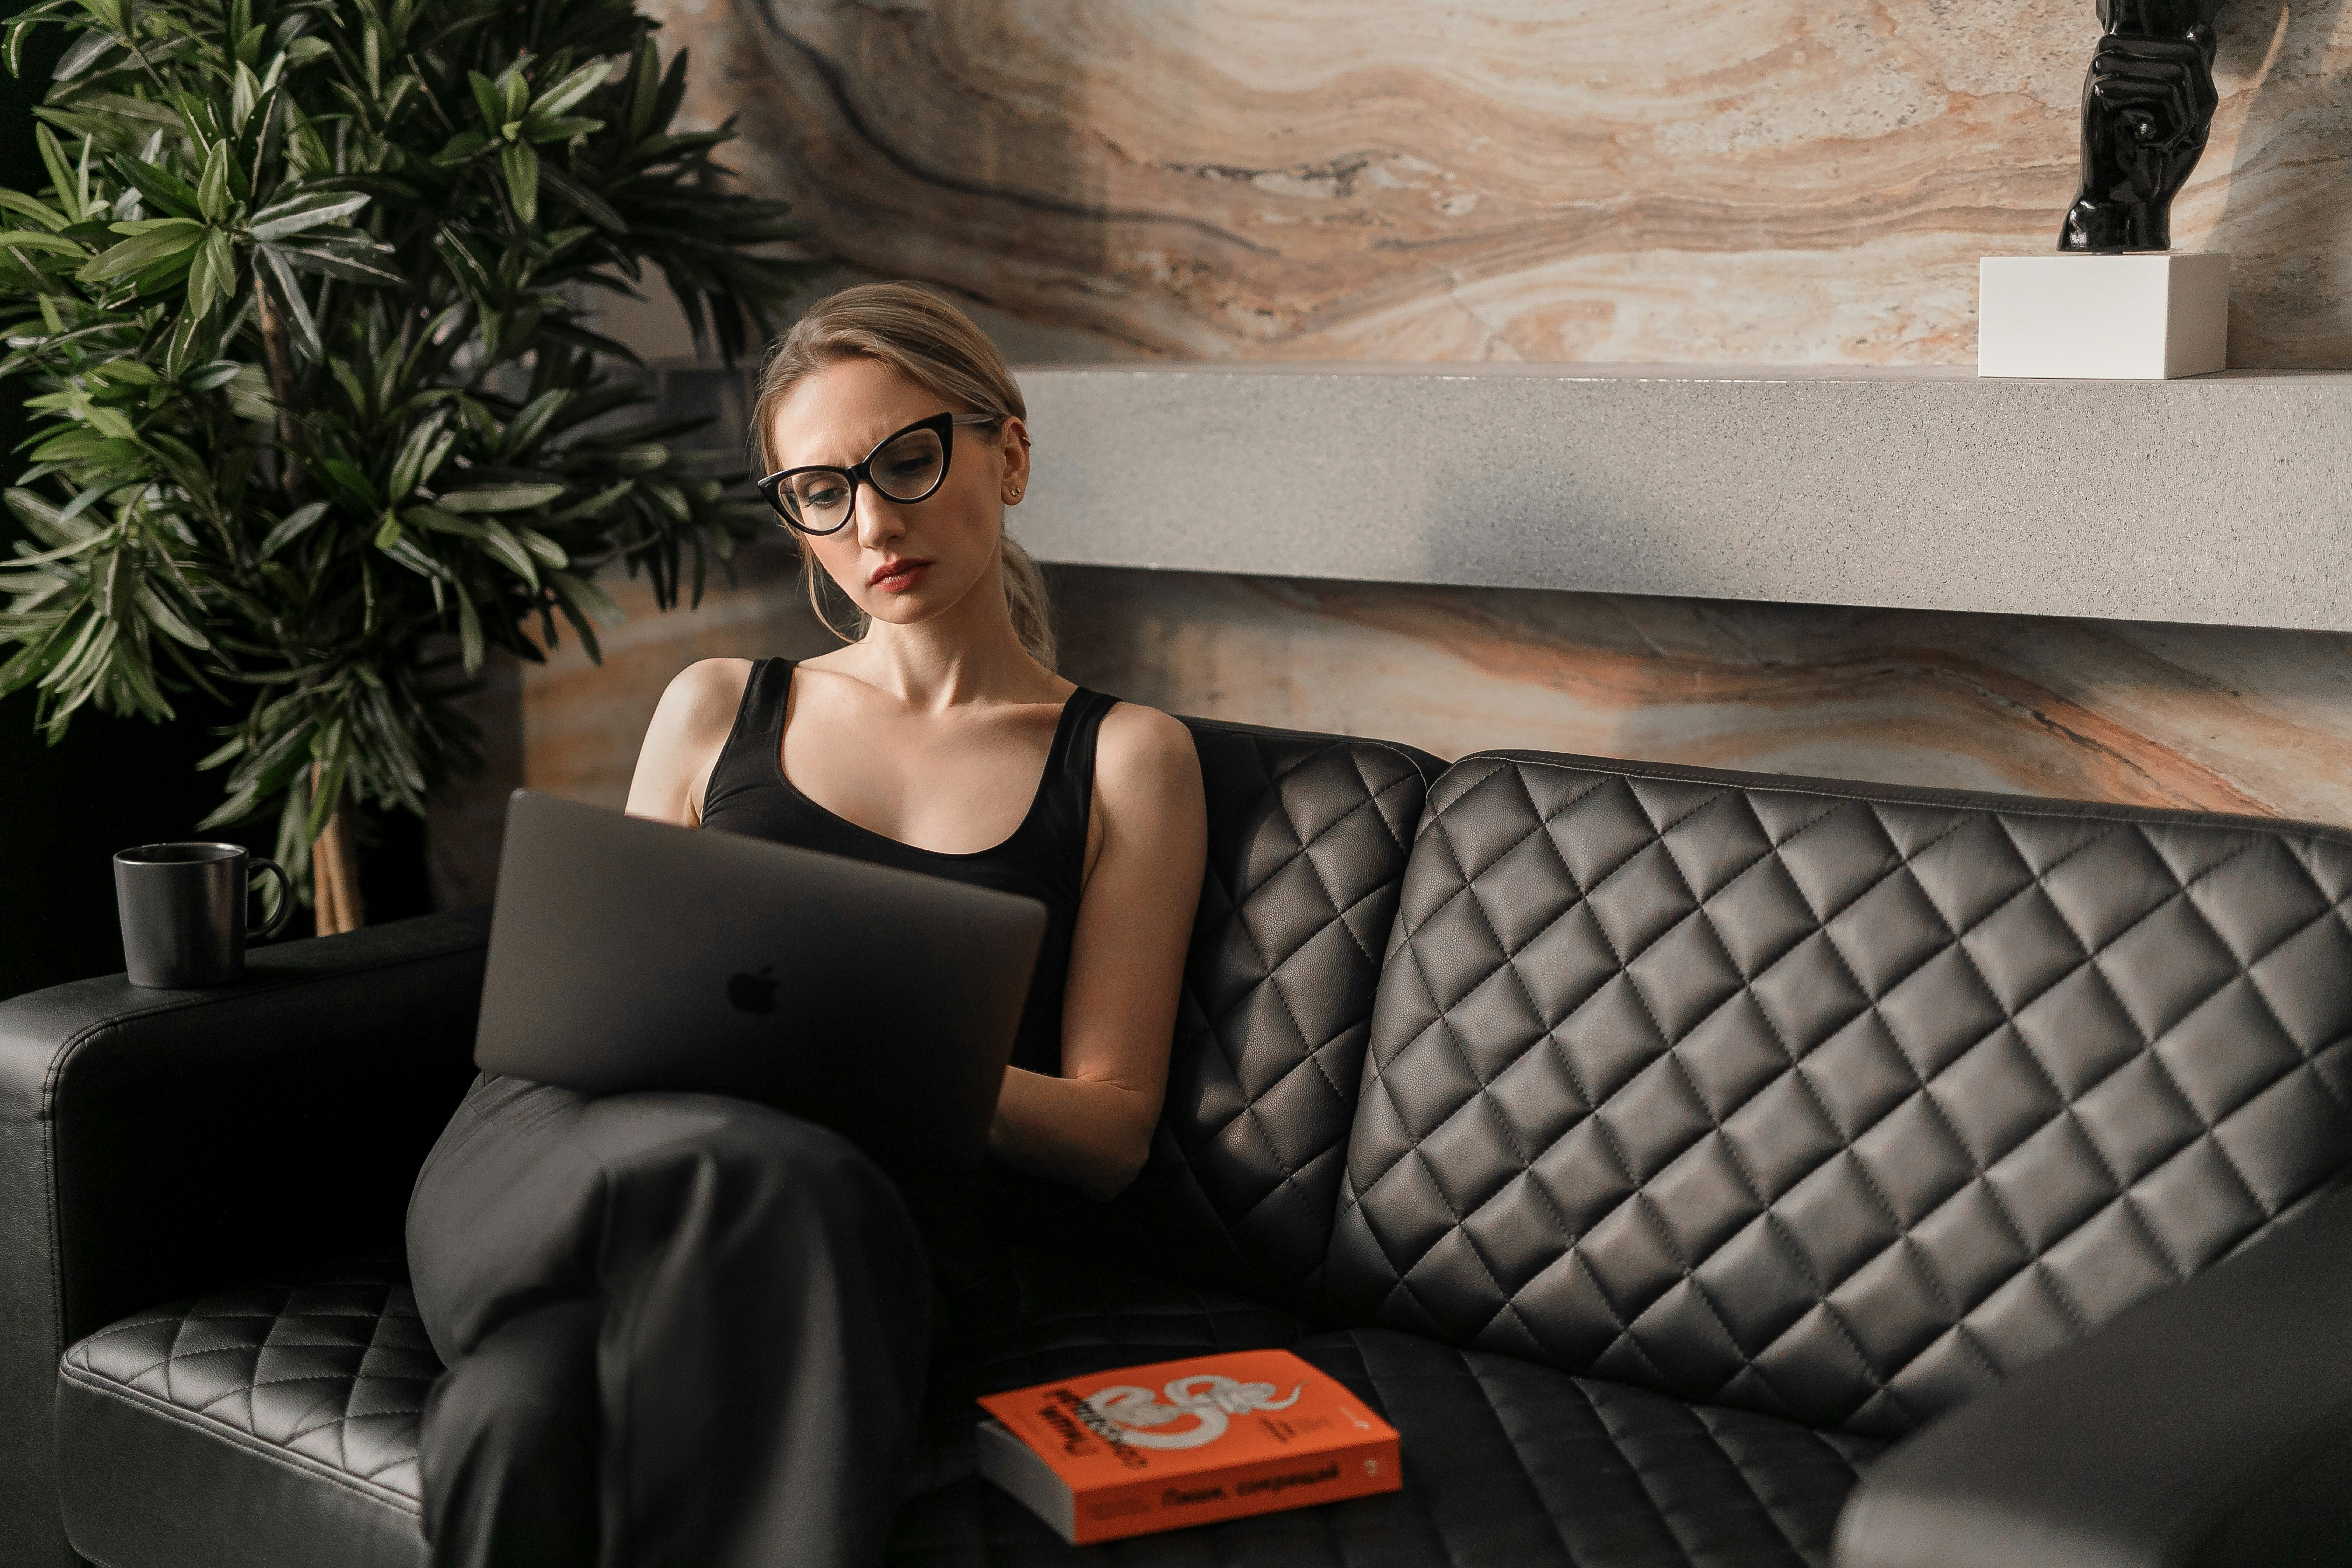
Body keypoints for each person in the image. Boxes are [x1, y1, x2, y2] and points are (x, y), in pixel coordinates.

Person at [404, 282, 1209, 1568]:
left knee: (515, 1413)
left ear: (1007, 450)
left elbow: (1110, 1131)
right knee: (733, 1163)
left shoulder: (1124, 758)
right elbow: (596, 996)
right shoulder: (717, 703)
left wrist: (863, 1053)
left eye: (908, 460)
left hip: (839, 1228)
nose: (873, 520)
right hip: (570, 1156)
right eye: (822, 491)